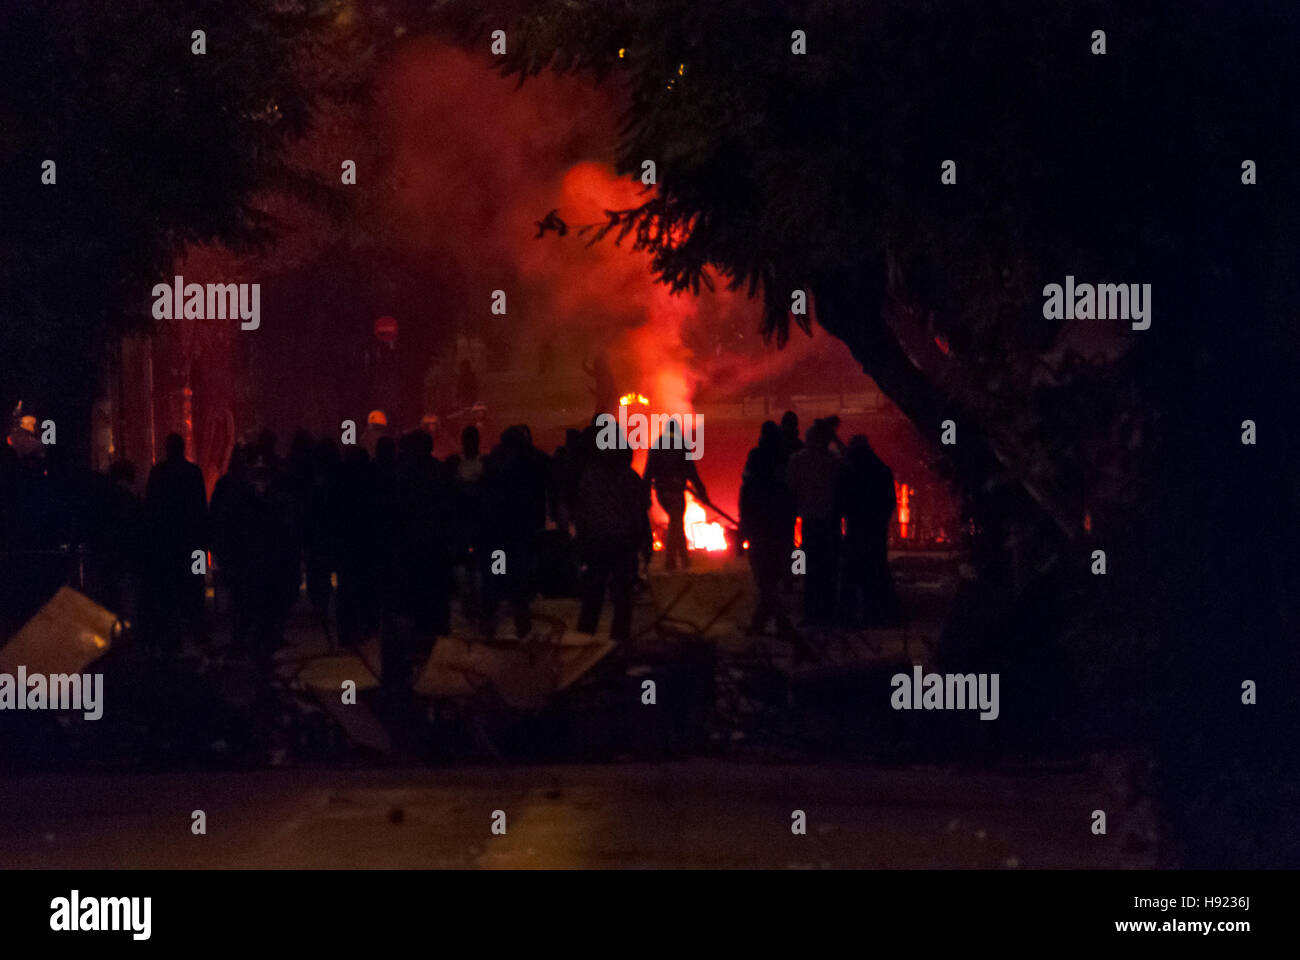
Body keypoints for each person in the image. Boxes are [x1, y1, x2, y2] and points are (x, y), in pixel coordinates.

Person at [575, 434, 645, 642]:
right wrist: (642, 541)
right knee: (622, 597)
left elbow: (582, 513)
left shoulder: (591, 476)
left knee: (593, 595)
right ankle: (618, 642)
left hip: (597, 542)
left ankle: (584, 642)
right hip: (622, 543)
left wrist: (582, 540)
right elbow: (639, 513)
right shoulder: (630, 478)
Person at [143, 433, 208, 654]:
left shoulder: (158, 473)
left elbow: (151, 508)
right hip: (192, 542)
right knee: (195, 584)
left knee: (169, 587)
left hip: (167, 543)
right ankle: (197, 627)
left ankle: (172, 634)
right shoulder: (193, 472)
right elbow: (200, 508)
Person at [739, 422, 798, 642]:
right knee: (770, 581)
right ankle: (760, 624)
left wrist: (741, 536)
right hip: (780, 532)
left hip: (761, 534)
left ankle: (780, 625)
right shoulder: (785, 466)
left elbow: (745, 507)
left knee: (765, 582)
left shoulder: (752, 483)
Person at [838, 434, 903, 626]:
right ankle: (876, 613)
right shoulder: (881, 470)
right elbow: (890, 501)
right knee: (875, 570)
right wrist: (880, 521)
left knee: (851, 572)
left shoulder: (851, 471)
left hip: (857, 528)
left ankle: (849, 616)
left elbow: (843, 498)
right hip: (875, 529)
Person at [785, 419, 841, 626]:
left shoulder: (797, 460)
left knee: (811, 568)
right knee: (830, 568)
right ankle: (828, 612)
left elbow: (790, 488)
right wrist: (836, 438)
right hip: (830, 520)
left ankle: (812, 613)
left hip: (810, 519)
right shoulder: (833, 461)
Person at [644, 418, 708, 572]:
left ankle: (682, 559)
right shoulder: (681, 446)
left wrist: (644, 494)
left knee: (676, 521)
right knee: (676, 522)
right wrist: (702, 492)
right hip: (675, 492)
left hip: (662, 491)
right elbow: (692, 472)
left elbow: (648, 474)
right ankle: (672, 560)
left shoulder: (657, 446)